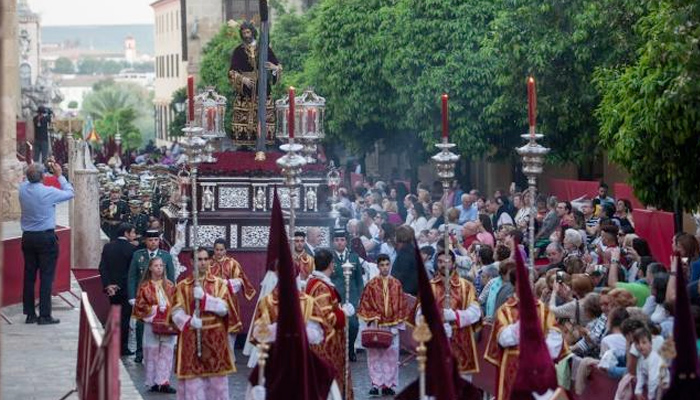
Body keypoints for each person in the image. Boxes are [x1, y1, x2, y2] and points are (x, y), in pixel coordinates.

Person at [171, 247, 236, 400]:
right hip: (191, 337)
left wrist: (206, 299)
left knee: (217, 383)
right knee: (193, 382)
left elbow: (225, 309)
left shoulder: (220, 284)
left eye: (206, 259)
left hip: (215, 338)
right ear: (192, 262)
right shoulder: (183, 286)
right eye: (199, 259)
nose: (203, 263)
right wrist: (189, 321)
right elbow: (175, 312)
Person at [20, 162, 74, 325]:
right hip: (45, 238)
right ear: (43, 176)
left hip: (28, 237)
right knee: (46, 277)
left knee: (29, 276)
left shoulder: (22, 189)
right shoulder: (48, 192)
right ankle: (44, 315)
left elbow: (25, 179)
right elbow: (70, 192)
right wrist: (59, 175)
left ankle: (30, 313)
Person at [306, 248, 356, 399]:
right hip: (325, 343)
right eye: (333, 263)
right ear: (330, 264)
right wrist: (344, 313)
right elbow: (327, 318)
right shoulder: (321, 287)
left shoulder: (317, 282)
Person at [357, 254, 408, 396]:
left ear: (390, 265)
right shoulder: (372, 284)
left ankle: (388, 384)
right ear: (378, 266)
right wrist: (373, 318)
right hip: (376, 325)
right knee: (374, 354)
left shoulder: (396, 284)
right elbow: (365, 303)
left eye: (387, 264)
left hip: (392, 326)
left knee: (391, 355)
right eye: (382, 265)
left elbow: (401, 305)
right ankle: (375, 383)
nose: (385, 267)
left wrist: (398, 326)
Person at [429, 250, 482, 378]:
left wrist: (455, 316)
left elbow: (476, 312)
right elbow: (420, 315)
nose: (443, 265)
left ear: (453, 263)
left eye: (447, 261)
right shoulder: (429, 287)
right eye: (440, 262)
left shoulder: (466, 286)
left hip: (462, 342)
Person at [228, 21, 282, 145]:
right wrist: (243, 79)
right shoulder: (238, 51)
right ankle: (244, 145)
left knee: (264, 118)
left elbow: (278, 66)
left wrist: (274, 68)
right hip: (245, 92)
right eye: (244, 33)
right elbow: (231, 72)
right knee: (243, 118)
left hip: (262, 90)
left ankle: (264, 145)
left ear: (253, 32)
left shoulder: (264, 48)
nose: (246, 35)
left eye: (248, 32)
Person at [128, 230, 176, 363]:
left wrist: (171, 296)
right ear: (146, 241)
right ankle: (139, 352)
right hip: (143, 296)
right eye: (150, 240)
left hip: (161, 295)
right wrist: (132, 296)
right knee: (141, 324)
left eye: (155, 240)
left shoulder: (166, 256)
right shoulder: (138, 255)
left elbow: (171, 277)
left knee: (161, 322)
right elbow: (132, 277)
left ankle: (159, 350)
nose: (153, 242)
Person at [131, 257, 177, 394]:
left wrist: (169, 312)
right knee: (151, 353)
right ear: (150, 268)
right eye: (156, 266)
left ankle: (163, 381)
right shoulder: (144, 287)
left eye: (161, 266)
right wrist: (156, 310)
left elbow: (176, 303)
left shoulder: (170, 285)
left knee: (167, 353)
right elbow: (140, 307)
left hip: (168, 324)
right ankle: (152, 382)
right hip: (151, 326)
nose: (159, 268)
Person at [329, 228, 369, 362]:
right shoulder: (329, 257)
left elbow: (359, 279)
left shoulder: (353, 256)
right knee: (335, 324)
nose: (339, 243)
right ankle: (337, 350)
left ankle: (350, 347)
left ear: (346, 241)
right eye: (336, 240)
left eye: (342, 240)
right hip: (334, 297)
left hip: (351, 296)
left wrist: (359, 297)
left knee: (353, 325)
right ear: (333, 242)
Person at [209, 238, 255, 353]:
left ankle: (230, 355)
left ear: (226, 250)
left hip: (229, 300)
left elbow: (240, 280)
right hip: (213, 300)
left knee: (230, 329)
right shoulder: (209, 263)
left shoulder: (232, 263)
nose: (219, 252)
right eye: (217, 249)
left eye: (221, 250)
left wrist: (227, 283)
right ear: (213, 250)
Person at [99, 222, 137, 354]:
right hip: (126, 289)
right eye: (132, 232)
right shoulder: (132, 250)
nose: (134, 235)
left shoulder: (108, 247)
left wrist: (108, 285)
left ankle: (112, 344)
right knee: (125, 318)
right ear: (126, 233)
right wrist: (119, 285)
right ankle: (122, 347)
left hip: (111, 290)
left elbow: (102, 267)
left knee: (114, 316)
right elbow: (130, 272)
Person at [633, 327, 669, 400]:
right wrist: (638, 391)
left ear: (650, 343)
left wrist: (650, 397)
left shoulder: (653, 358)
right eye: (637, 343)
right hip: (653, 384)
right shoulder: (641, 359)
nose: (640, 346)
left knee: (659, 386)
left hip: (664, 384)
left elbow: (653, 380)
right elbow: (640, 375)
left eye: (644, 342)